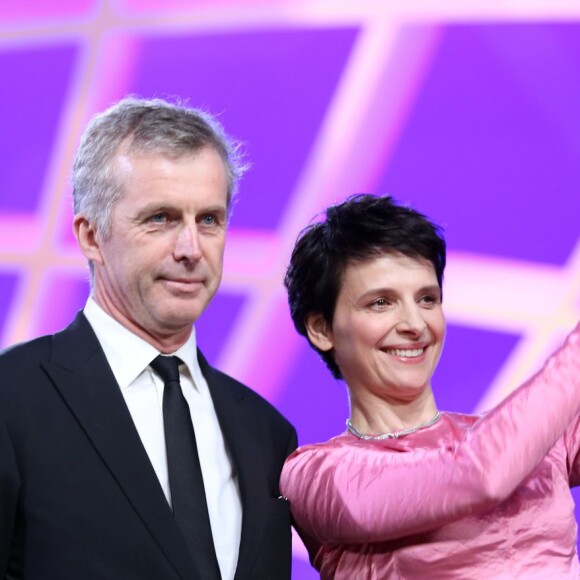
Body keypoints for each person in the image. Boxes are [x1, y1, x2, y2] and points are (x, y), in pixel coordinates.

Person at [0, 96, 297, 580]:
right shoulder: (11, 399)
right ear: (91, 236)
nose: (190, 249)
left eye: (209, 220)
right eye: (160, 218)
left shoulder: (268, 435)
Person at [280, 193, 580, 579]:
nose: (415, 324)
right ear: (322, 328)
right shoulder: (316, 477)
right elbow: (480, 475)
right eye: (381, 303)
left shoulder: (537, 442)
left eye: (427, 299)